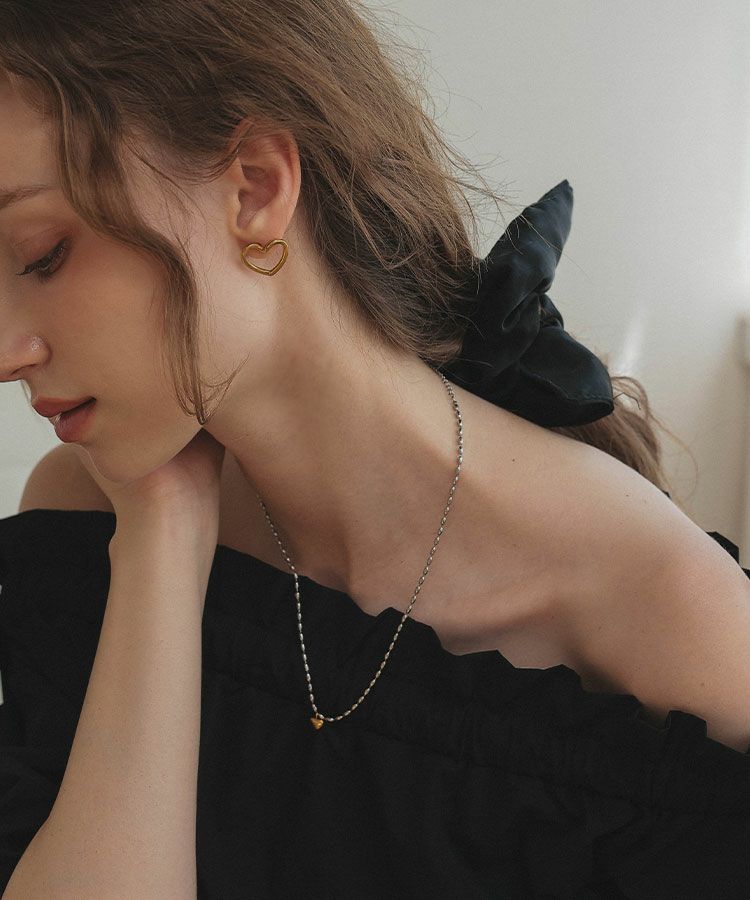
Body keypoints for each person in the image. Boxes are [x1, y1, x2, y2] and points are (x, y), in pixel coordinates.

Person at [0, 2, 748, 898]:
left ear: (255, 188)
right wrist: (162, 533)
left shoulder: (675, 625)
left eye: (41, 255)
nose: (5, 353)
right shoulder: (87, 527)